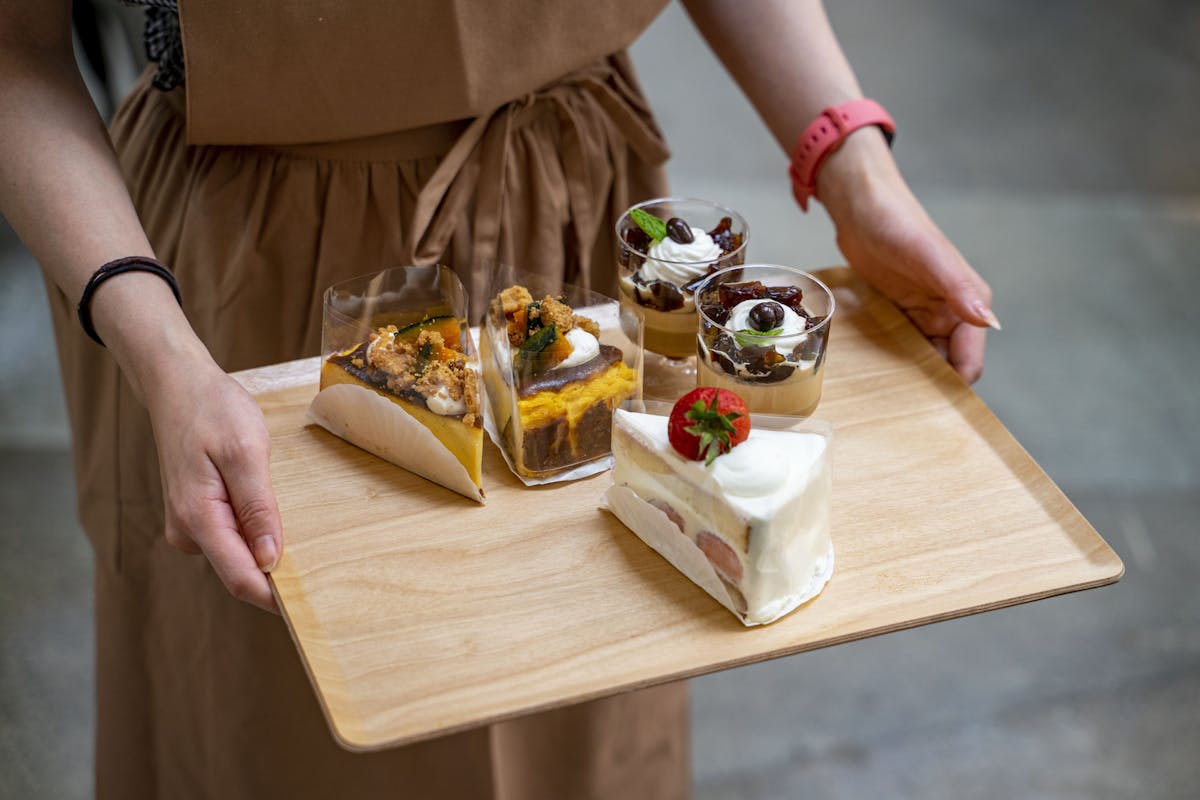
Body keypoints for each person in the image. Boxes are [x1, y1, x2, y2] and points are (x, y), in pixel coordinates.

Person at [0, 1, 997, 797]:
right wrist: (164, 354)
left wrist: (854, 169)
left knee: (591, 704)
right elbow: (16, 50)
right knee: (283, 727)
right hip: (246, 293)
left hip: (576, 224)